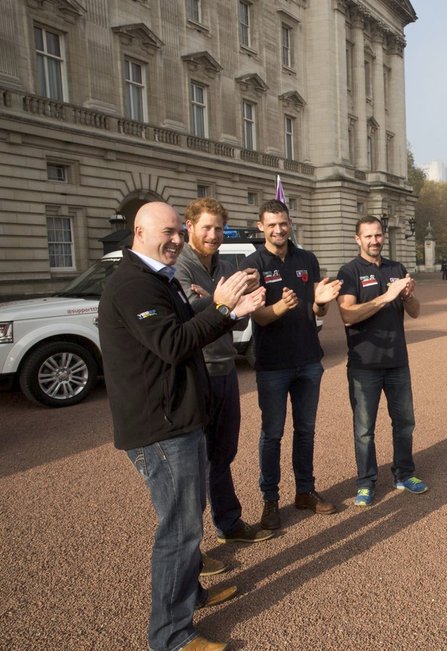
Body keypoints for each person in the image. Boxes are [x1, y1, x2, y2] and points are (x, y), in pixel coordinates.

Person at [99, 201, 266, 651]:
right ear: (139, 232)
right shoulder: (133, 284)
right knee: (179, 531)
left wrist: (229, 310)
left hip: (176, 418)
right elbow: (173, 345)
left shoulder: (156, 278)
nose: (176, 239)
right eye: (167, 231)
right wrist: (224, 307)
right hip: (161, 428)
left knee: (187, 520)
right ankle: (171, 635)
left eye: (178, 231)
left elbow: (188, 327)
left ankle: (191, 594)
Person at [173, 197, 274, 549]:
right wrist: (220, 300)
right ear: (190, 227)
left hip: (225, 367)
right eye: (207, 228)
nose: (213, 235)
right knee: (195, 462)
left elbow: (233, 317)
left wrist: (231, 298)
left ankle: (228, 523)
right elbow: (188, 314)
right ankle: (192, 549)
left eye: (218, 228)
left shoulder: (220, 266)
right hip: (197, 372)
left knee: (223, 453)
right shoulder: (179, 265)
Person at [243, 200, 342, 530]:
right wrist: (281, 308)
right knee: (272, 434)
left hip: (308, 359)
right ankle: (270, 500)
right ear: (261, 226)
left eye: (283, 223)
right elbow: (257, 315)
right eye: (271, 224)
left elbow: (318, 311)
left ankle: (305, 491)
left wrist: (321, 303)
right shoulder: (253, 264)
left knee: (306, 430)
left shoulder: (307, 259)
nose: (278, 229)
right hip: (273, 363)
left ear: (290, 223)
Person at [336, 216, 426, 507]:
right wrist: (386, 297)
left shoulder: (395, 268)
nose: (374, 241)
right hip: (365, 364)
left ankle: (404, 473)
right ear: (357, 239)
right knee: (364, 429)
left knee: (404, 422)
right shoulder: (349, 272)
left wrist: (408, 296)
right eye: (368, 236)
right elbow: (348, 315)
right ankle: (366, 482)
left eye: (378, 235)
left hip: (397, 360)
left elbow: (415, 311)